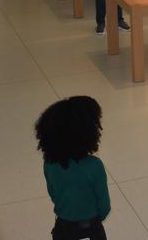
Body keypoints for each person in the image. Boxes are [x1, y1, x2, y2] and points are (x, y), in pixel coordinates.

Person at [35, 96, 111, 240]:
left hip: (64, 225)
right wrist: (97, 217)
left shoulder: (49, 163)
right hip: (92, 224)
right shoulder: (94, 165)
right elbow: (104, 204)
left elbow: (52, 193)